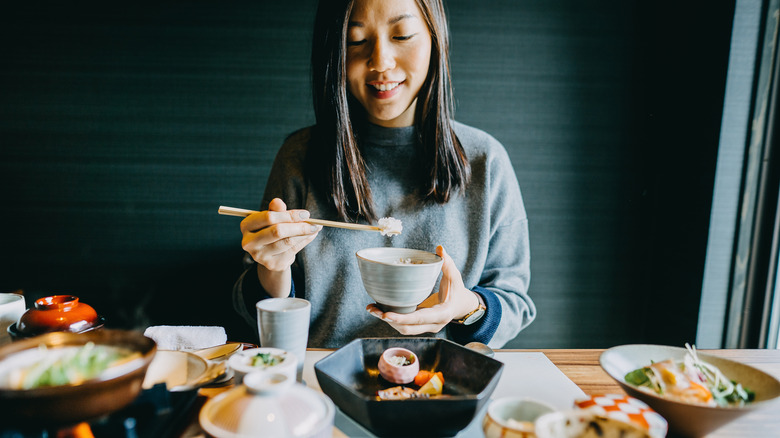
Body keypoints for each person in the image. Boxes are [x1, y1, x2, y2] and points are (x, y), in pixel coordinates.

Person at [233, 0, 535, 349]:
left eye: (402, 34)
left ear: (436, 39)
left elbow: (515, 303)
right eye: (356, 41)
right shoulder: (300, 156)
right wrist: (272, 268)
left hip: (439, 387)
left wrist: (466, 308)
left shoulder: (485, 160)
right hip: (321, 384)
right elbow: (246, 306)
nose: (380, 62)